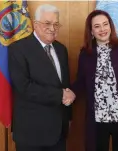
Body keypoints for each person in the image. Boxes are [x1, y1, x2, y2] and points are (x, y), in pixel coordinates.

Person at [71, 10, 118, 151]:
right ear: (91, 31)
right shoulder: (85, 54)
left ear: (111, 27)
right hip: (97, 120)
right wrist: (70, 92)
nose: (102, 29)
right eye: (97, 26)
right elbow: (81, 81)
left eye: (105, 24)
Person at [8, 4, 75, 151]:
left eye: (56, 24)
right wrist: (60, 95)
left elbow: (65, 85)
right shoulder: (18, 49)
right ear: (35, 24)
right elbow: (24, 87)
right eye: (47, 23)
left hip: (59, 132)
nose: (52, 28)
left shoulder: (61, 49)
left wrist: (68, 117)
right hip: (31, 133)